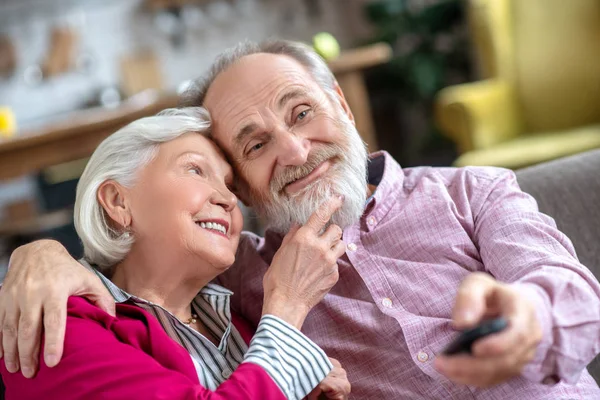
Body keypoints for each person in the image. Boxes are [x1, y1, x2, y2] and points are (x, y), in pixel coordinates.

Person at [3, 39, 600, 399]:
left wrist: (532, 316)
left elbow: (571, 292)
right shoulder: (242, 281)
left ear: (341, 103)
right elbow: (143, 272)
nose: (292, 151)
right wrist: (41, 255)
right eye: (255, 146)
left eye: (302, 112)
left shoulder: (473, 191)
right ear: (246, 187)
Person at [0, 108, 351, 400]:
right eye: (195, 169)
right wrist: (287, 308)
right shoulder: (53, 321)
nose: (227, 199)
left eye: (230, 186)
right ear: (119, 202)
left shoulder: (236, 318)